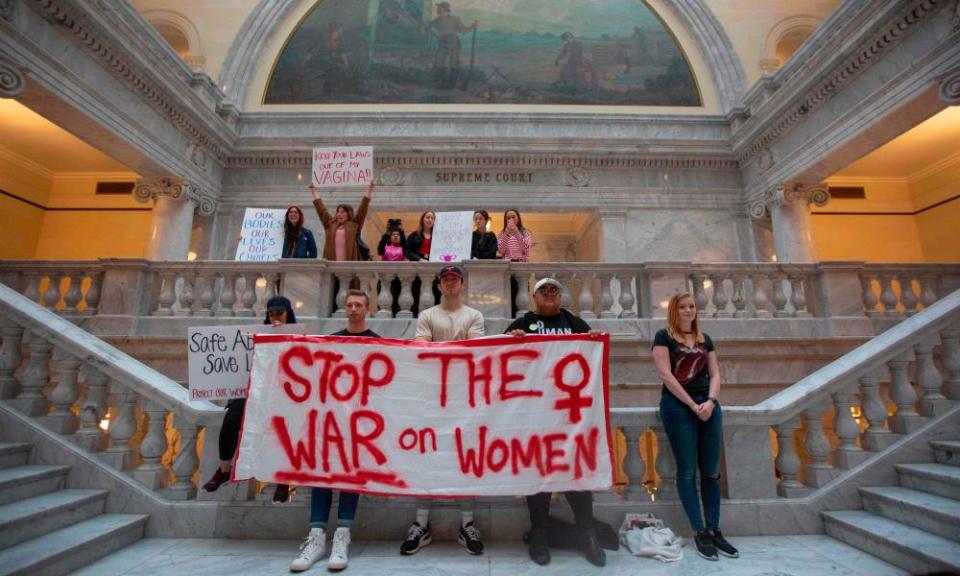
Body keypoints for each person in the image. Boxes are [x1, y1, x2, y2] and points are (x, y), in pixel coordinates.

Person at [505, 277, 605, 567]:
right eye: (543, 290)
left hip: (569, 415)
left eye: (554, 290)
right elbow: (501, 358)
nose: (549, 294)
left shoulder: (574, 323)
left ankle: (587, 532)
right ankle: (539, 533)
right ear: (534, 297)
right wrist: (513, 342)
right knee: (539, 474)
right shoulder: (522, 324)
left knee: (576, 471)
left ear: (560, 297)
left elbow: (592, 352)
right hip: (536, 414)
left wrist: (595, 339)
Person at [291, 289, 379, 572]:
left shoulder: (379, 343)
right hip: (329, 420)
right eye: (349, 305)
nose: (353, 309)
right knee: (322, 473)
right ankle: (316, 538)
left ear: (367, 309)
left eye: (358, 305)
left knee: (351, 475)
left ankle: (342, 538)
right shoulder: (330, 341)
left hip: (360, 423)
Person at [400, 265, 485, 557]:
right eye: (445, 279)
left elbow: (474, 352)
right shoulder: (427, 315)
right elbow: (421, 349)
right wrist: (453, 349)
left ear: (461, 284)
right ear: (439, 285)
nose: (450, 283)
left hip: (464, 399)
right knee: (427, 457)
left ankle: (468, 524)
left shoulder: (474, 315)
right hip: (432, 398)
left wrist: (441, 349)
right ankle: (420, 524)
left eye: (455, 279)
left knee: (466, 458)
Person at [652, 292, 738, 561]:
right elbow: (666, 374)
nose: (688, 311)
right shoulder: (663, 337)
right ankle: (699, 531)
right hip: (678, 406)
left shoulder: (705, 339)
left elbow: (715, 374)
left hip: (709, 405)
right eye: (683, 307)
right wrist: (692, 404)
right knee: (687, 471)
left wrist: (711, 401)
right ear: (674, 311)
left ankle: (714, 528)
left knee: (711, 472)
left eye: (691, 307)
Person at [202, 295, 297, 504]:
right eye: (271, 314)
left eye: (279, 313)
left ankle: (282, 481)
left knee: (282, 431)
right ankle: (224, 468)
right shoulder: (253, 336)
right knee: (231, 420)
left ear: (288, 313)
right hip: (254, 389)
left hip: (282, 394)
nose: (275, 319)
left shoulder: (298, 336)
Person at [309, 182, 373, 262]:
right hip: (331, 266)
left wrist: (370, 188)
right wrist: (313, 190)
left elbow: (363, 208)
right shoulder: (330, 224)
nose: (339, 214)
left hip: (350, 266)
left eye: (342, 212)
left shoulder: (354, 225)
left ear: (349, 214)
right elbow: (321, 209)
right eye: (338, 212)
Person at [423, 1, 477, 88]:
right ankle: (441, 81)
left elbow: (463, 30)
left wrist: (472, 26)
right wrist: (424, 27)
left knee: (454, 63)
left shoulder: (455, 19)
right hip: (442, 42)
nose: (438, 10)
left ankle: (452, 84)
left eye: (439, 8)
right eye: (438, 8)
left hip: (454, 43)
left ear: (445, 9)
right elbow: (427, 26)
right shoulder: (437, 20)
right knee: (439, 61)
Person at [498, 208, 532, 316]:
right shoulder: (502, 233)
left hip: (521, 266)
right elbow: (501, 250)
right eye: (508, 218)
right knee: (509, 295)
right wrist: (507, 234)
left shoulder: (525, 232)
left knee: (522, 295)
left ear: (518, 218)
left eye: (513, 217)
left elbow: (526, 249)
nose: (511, 219)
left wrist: (517, 232)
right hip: (508, 267)